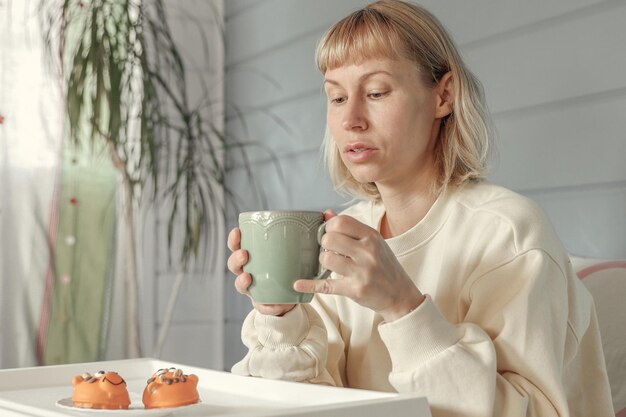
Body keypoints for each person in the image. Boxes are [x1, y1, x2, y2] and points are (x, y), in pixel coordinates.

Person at [226, 1, 615, 416]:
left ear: (443, 96)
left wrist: (402, 307)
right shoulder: (344, 234)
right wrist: (281, 314)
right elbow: (305, 403)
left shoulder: (508, 232)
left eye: (375, 92)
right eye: (336, 97)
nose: (352, 119)